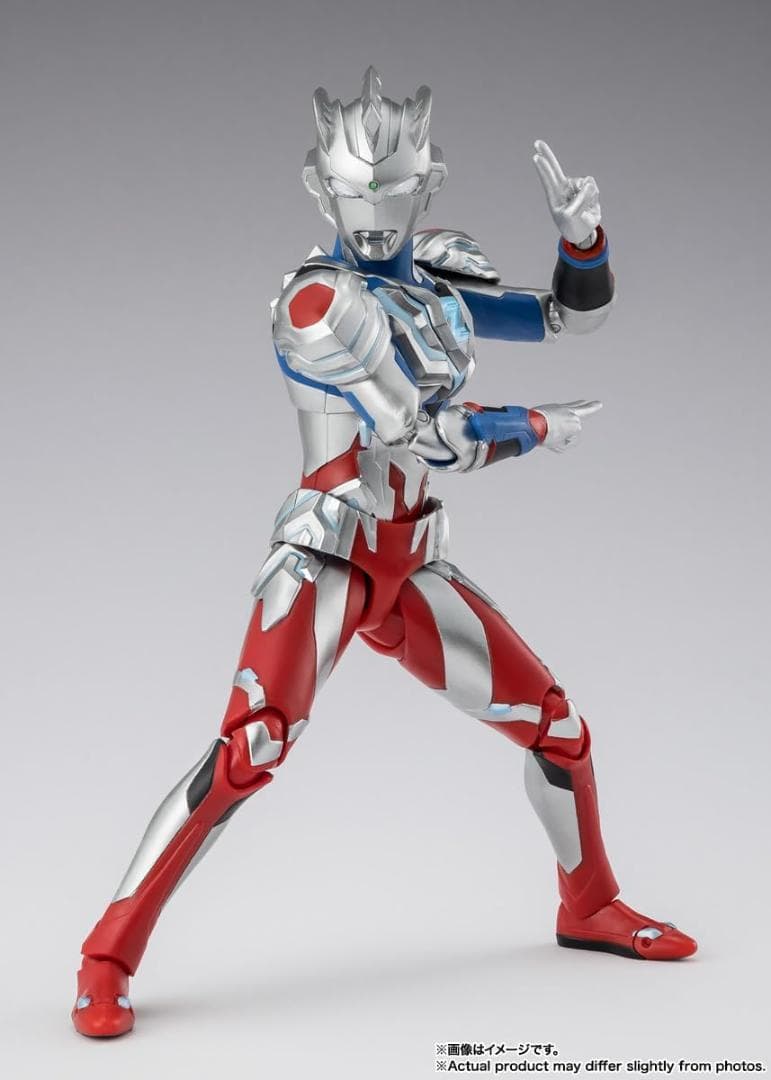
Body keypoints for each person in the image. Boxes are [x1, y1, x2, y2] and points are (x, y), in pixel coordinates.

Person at [72, 67, 696, 1039]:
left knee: (558, 729)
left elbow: (570, 317)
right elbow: (423, 434)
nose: (372, 216)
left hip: (410, 563)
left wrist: (583, 239)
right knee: (251, 745)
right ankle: (105, 956)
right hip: (328, 554)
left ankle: (591, 903)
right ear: (319, 189)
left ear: (427, 185)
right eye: (354, 195)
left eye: (393, 194)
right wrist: (535, 426)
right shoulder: (318, 305)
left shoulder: (439, 281)